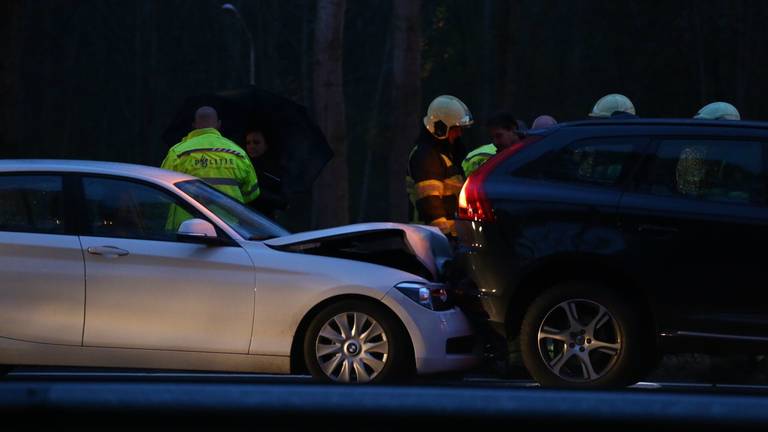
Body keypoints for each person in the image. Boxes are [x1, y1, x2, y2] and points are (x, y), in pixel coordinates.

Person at [161, 106, 260, 228]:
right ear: (218, 124)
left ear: (194, 125)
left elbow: (163, 192)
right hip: (229, 230)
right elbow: (251, 194)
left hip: (187, 230)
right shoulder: (238, 154)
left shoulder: (178, 153)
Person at [407, 95, 472, 238]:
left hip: (446, 236)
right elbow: (430, 203)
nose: (459, 133)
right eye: (456, 129)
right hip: (430, 238)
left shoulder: (445, 154)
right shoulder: (426, 156)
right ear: (440, 128)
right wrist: (445, 237)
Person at [461, 112, 524, 177]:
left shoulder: (529, 153)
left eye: (499, 136)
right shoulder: (496, 163)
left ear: (513, 129)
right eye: (491, 138)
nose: (495, 142)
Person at [243, 128, 287, 219]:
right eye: (248, 143)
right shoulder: (243, 164)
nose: (251, 146)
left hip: (265, 219)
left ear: (266, 145)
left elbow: (283, 200)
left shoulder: (275, 168)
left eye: (256, 142)